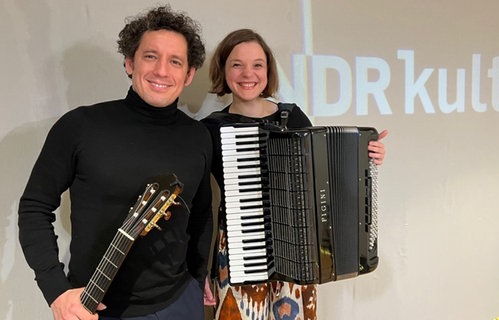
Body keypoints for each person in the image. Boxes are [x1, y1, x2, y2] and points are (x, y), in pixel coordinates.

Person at [18, 5, 213, 320]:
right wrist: (55, 291)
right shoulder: (80, 126)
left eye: (175, 61)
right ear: (129, 62)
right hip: (95, 307)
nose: (162, 71)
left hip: (179, 303)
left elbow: (202, 212)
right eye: (151, 56)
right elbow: (34, 208)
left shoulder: (198, 136)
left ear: (188, 74)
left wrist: (199, 276)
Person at [201, 28, 388, 320]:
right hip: (239, 253)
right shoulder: (211, 129)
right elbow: (200, 206)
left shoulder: (293, 116)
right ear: (223, 70)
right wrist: (200, 268)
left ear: (268, 71)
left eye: (257, 65)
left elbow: (324, 174)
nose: (247, 73)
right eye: (237, 64)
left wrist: (367, 158)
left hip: (298, 246)